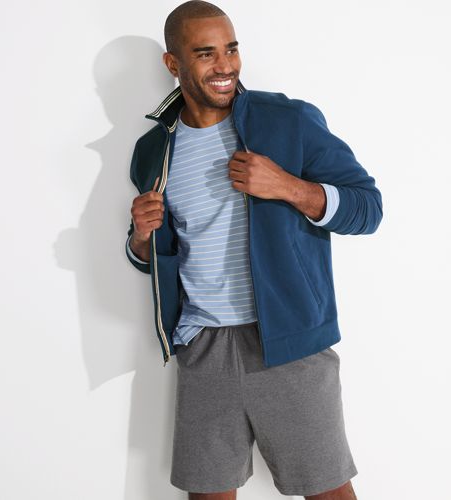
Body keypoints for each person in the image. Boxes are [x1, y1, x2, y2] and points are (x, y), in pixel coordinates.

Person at [125, 1, 382, 499]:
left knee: (329, 492)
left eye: (231, 49)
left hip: (287, 342)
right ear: (173, 63)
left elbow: (367, 208)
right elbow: (156, 252)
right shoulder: (153, 151)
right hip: (203, 346)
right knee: (207, 494)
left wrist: (288, 187)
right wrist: (140, 238)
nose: (224, 65)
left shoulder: (288, 120)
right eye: (205, 53)